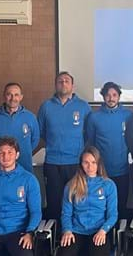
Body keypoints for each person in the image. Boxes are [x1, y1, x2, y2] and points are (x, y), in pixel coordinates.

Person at [37, 71, 92, 220]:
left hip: (75, 162)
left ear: (72, 86)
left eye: (67, 81)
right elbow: (40, 131)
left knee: (76, 201)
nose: (63, 83)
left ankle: (74, 235)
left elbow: (89, 132)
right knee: (54, 203)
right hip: (53, 162)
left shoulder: (83, 106)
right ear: (55, 85)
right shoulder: (46, 106)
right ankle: (56, 236)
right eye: (60, 81)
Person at [85, 81, 133, 219]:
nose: (111, 98)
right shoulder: (94, 117)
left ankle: (120, 237)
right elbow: (91, 142)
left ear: (119, 96)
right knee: (103, 206)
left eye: (114, 95)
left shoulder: (128, 116)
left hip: (122, 169)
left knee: (121, 206)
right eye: (108, 95)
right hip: (102, 171)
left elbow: (131, 140)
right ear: (103, 96)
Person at [57, 146, 118, 256]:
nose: (90, 167)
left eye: (93, 162)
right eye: (86, 162)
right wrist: (67, 230)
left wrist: (103, 230)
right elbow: (66, 214)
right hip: (76, 231)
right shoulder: (71, 185)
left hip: (98, 230)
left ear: (99, 164)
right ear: (81, 164)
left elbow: (113, 215)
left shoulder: (108, 185)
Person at [0, 82, 40, 173]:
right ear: (4, 96)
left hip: (25, 167)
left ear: (21, 97)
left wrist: (23, 151)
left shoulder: (30, 117)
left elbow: (35, 140)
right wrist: (4, 154)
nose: (13, 98)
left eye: (16, 95)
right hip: (2, 168)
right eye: (9, 95)